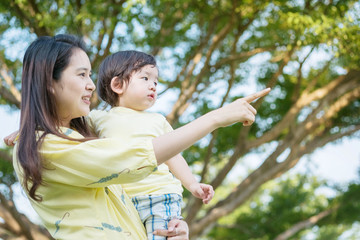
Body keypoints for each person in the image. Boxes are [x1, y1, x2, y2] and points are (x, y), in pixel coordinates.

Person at [4, 33, 270, 239]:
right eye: (82, 74)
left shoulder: (87, 141)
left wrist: (173, 233)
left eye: (90, 74)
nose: (90, 84)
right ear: (49, 82)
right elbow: (132, 160)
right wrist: (214, 118)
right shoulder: (45, 147)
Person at [87, 50, 214, 240]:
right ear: (118, 85)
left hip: (159, 197)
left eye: (155, 81)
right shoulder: (97, 118)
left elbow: (174, 156)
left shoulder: (157, 120)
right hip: (122, 201)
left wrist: (192, 184)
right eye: (145, 78)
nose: (153, 86)